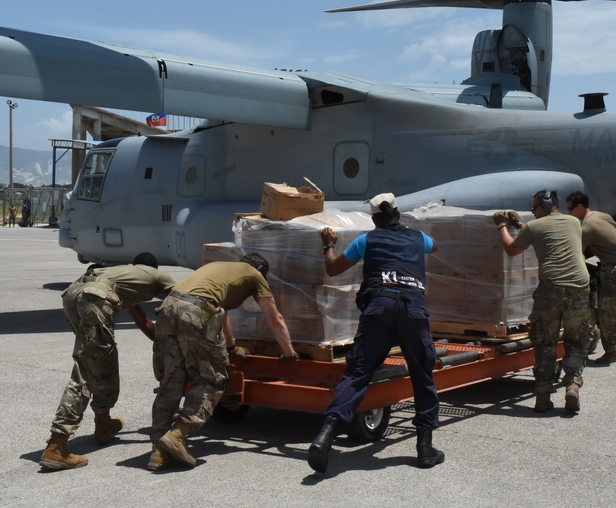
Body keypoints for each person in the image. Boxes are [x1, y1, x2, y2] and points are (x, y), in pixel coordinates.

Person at [307, 193, 444, 474]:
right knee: (422, 374)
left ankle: (326, 435)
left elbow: (333, 268)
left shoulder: (365, 241)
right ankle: (424, 448)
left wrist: (329, 245)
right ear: (397, 213)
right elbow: (435, 246)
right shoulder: (419, 238)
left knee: (358, 372)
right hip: (412, 312)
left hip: (378, 310)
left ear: (374, 220)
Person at [149, 253, 298, 471]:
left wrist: (231, 347)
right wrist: (289, 353)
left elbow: (221, 312)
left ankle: (159, 452)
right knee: (213, 380)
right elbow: (274, 318)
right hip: (196, 311)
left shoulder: (221, 268)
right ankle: (177, 434)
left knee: (172, 378)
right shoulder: (255, 275)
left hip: (168, 306)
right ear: (261, 271)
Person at [40, 253, 176, 471]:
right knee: (87, 369)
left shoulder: (123, 276)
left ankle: (103, 421)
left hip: (74, 293)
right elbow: (183, 303)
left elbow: (142, 321)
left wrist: (159, 340)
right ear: (153, 268)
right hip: (96, 297)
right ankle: (56, 445)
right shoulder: (159, 275)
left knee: (103, 362)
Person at [494, 190, 591, 412]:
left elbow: (512, 249)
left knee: (545, 342)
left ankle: (543, 396)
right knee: (576, 340)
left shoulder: (534, 228)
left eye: (535, 207)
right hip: (579, 288)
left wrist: (501, 225)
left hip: (551, 289)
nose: (532, 211)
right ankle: (573, 385)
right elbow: (547, 236)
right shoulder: (574, 222)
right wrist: (522, 227)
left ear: (547, 205)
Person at [566, 191, 616, 365]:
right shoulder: (603, 216)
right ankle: (593, 345)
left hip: (614, 269)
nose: (569, 213)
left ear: (580, 207)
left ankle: (611, 352)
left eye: (571, 209)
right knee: (601, 308)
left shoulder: (586, 227)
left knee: (607, 312)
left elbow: (574, 254)